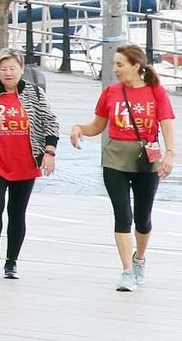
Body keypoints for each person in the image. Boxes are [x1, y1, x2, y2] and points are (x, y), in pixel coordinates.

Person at [70, 44, 176, 291]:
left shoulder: (156, 92)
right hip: (114, 160)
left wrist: (169, 154)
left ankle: (140, 258)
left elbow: (167, 125)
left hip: (145, 160)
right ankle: (127, 270)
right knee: (122, 215)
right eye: (114, 64)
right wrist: (78, 129)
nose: (115, 69)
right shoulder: (111, 92)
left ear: (135, 66)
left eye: (119, 64)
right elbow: (97, 126)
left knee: (142, 218)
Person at [0, 49, 57, 281]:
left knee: (17, 212)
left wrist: (49, 152)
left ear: (21, 68)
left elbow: (50, 121)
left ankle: (12, 261)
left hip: (25, 162)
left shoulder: (34, 93)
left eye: (12, 68)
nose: (8, 72)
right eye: (3, 68)